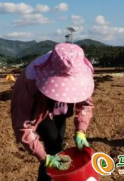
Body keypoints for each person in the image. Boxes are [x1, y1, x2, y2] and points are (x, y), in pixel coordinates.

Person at [10, 43, 94, 181]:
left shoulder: (78, 68)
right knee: (53, 145)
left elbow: (85, 104)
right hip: (40, 107)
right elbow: (23, 126)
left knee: (58, 141)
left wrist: (81, 130)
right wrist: (44, 158)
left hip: (60, 109)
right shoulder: (29, 85)